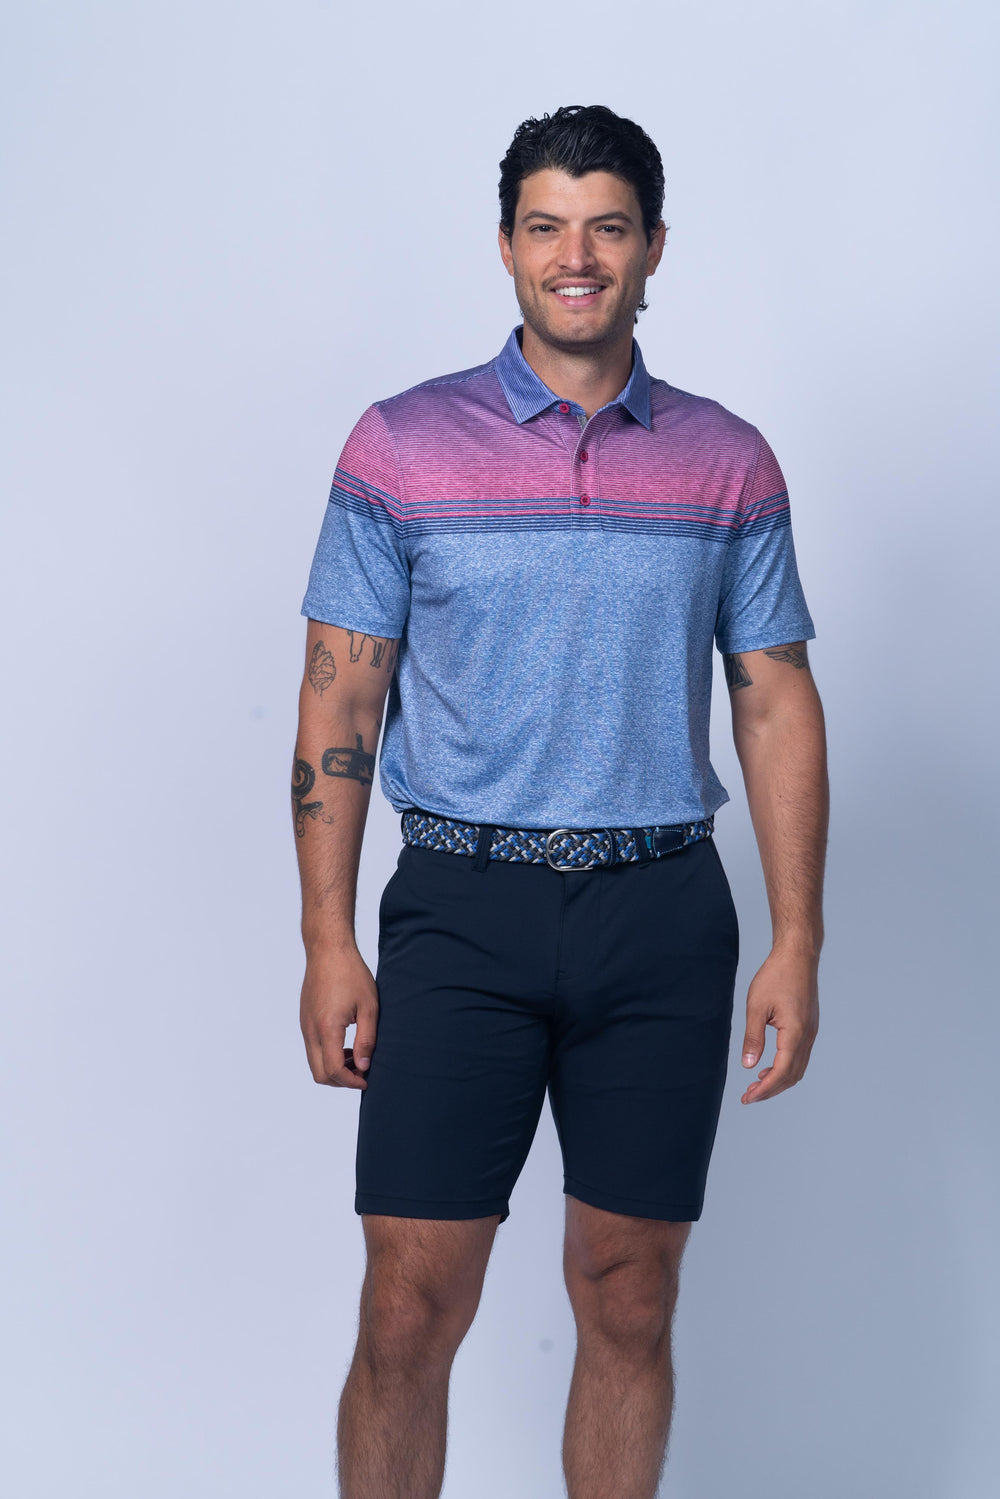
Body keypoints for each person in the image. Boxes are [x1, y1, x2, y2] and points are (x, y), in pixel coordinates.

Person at [292, 103, 828, 1499]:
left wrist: (798, 938)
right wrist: (329, 938)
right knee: (408, 1306)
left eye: (606, 228)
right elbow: (341, 702)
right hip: (460, 912)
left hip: (660, 915)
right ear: (507, 246)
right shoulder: (402, 446)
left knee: (630, 1294)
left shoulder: (727, 459)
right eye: (546, 226)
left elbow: (774, 698)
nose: (575, 256)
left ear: (653, 247)